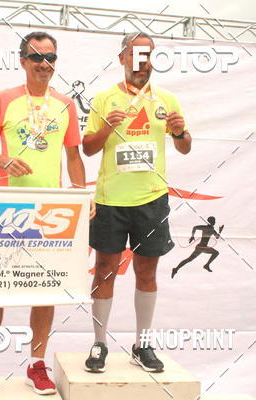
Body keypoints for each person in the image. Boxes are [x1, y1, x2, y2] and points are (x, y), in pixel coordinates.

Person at [0, 31, 87, 397]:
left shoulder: (65, 104)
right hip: (7, 207)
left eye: (50, 58)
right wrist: (5, 161)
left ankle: (37, 363)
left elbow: (73, 156)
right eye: (36, 57)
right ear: (22, 61)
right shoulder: (4, 99)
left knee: (45, 288)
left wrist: (82, 196)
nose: (44, 64)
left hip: (49, 208)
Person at [82, 32, 192, 373]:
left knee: (147, 272)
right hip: (110, 200)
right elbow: (88, 148)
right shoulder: (104, 99)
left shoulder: (167, 99)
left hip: (151, 200)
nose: (142, 62)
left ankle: (142, 345)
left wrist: (179, 132)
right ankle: (99, 343)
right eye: (135, 54)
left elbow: (185, 146)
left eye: (148, 55)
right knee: (104, 271)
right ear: (123, 59)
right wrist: (107, 129)